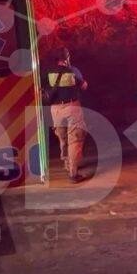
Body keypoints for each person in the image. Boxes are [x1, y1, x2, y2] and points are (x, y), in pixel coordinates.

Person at [45, 47, 88, 183]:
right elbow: (84, 86)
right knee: (75, 139)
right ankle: (73, 173)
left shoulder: (48, 72)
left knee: (62, 138)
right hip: (72, 107)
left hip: (55, 110)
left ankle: (67, 164)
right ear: (67, 57)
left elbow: (43, 89)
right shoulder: (73, 71)